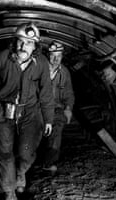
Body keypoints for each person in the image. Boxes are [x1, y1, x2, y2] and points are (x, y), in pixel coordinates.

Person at [0, 22, 54, 200]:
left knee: (26, 153)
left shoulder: (42, 63)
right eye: (21, 41)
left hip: (30, 114)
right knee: (4, 155)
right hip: (3, 112)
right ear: (14, 42)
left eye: (29, 43)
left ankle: (20, 173)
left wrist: (48, 118)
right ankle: (9, 196)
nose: (23, 46)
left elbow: (46, 93)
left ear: (35, 46)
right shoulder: (2, 58)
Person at [41, 40, 74, 172]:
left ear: (62, 56)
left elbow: (69, 93)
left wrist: (68, 108)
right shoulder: (39, 69)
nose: (55, 59)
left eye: (58, 56)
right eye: (53, 56)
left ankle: (49, 163)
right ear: (48, 55)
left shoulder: (64, 72)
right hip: (39, 108)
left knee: (56, 130)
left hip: (56, 108)